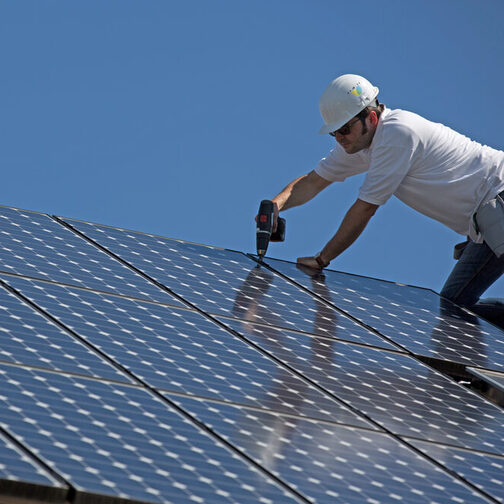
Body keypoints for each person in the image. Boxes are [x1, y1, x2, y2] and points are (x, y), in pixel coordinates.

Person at [269, 74, 504, 328]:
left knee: (455, 308)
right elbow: (314, 181)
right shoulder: (359, 145)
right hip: (487, 222)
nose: (340, 138)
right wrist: (275, 205)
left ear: (370, 118)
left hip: (498, 199)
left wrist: (322, 259)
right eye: (334, 133)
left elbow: (365, 208)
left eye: (345, 129)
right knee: (455, 306)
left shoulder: (397, 134)